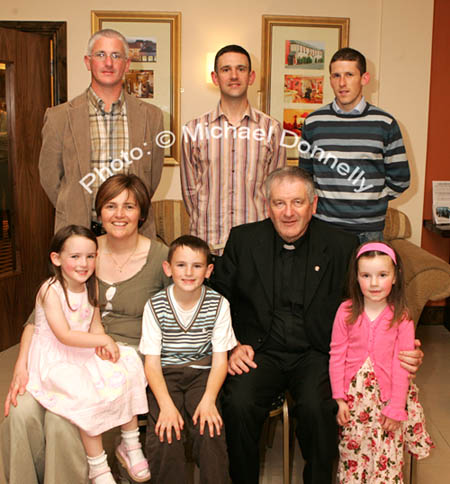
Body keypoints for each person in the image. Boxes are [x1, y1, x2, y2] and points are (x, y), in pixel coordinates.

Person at [210, 166, 424, 484]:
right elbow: (216, 298)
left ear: (314, 204)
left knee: (319, 408)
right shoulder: (243, 239)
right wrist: (230, 346)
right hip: (257, 350)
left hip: (318, 351)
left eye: (297, 202)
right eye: (279, 203)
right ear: (267, 205)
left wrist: (403, 346)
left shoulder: (340, 245)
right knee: (238, 404)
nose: (288, 212)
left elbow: (368, 304)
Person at [1, 174, 170, 484]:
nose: (119, 214)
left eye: (129, 206)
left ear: (141, 213)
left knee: (61, 418)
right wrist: (21, 366)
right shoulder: (79, 251)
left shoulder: (160, 256)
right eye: (110, 206)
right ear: (99, 212)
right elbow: (36, 320)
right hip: (64, 353)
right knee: (20, 408)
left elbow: (182, 309)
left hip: (121, 355)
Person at [26, 225, 150, 484]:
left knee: (128, 364)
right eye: (75, 257)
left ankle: (130, 443)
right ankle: (98, 466)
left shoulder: (90, 286)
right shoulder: (50, 290)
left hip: (83, 351)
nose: (84, 263)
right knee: (85, 390)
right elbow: (64, 335)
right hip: (57, 359)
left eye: (90, 256)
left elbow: (94, 325)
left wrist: (103, 343)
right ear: (56, 259)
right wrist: (102, 339)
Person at [38, 29, 164, 239]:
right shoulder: (58, 117)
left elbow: (151, 176)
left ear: (126, 64)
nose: (108, 63)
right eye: (100, 55)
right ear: (88, 62)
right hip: (79, 234)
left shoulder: (152, 116)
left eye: (116, 56)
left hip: (135, 232)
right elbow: (50, 178)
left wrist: (128, 213)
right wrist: (73, 206)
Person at [329, 242, 433, 482]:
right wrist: (339, 399)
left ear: (395, 277)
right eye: (366, 275)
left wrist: (396, 407)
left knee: (386, 460)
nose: (374, 283)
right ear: (356, 278)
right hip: (355, 403)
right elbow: (337, 355)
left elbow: (403, 366)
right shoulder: (345, 311)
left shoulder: (402, 316)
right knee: (353, 456)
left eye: (382, 275)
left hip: (388, 402)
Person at [140, 235, 237, 483]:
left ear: (208, 271)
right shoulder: (155, 306)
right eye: (181, 265)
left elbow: (219, 361)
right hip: (165, 375)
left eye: (197, 266)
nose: (189, 272)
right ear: (168, 268)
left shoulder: (219, 305)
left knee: (210, 429)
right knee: (166, 432)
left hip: (203, 376)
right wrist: (166, 406)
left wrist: (209, 399)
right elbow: (151, 364)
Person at [181, 44, 286, 256]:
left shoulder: (272, 130)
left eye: (241, 69)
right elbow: (190, 192)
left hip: (256, 245)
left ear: (251, 76)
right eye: (226, 69)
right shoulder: (194, 130)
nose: (234, 75)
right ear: (215, 77)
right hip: (207, 244)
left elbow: (277, 190)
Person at [299, 47, 410, 243]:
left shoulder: (385, 123)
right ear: (330, 79)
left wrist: (374, 199)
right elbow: (305, 176)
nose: (342, 83)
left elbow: (401, 179)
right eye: (336, 76)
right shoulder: (313, 122)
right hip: (324, 228)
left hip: (369, 232)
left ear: (364, 78)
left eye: (349, 74)